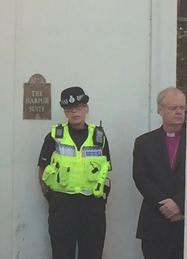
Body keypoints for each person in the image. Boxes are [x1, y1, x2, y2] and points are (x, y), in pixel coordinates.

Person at [37, 86, 111, 259]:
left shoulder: (99, 137)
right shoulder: (54, 136)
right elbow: (42, 168)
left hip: (92, 206)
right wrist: (51, 196)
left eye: (78, 106)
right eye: (69, 108)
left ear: (86, 108)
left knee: (92, 254)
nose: (74, 111)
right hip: (63, 206)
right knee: (62, 254)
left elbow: (106, 169)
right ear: (65, 112)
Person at [132, 87, 186, 259]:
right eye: (173, 108)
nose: (179, 112)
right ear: (159, 109)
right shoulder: (144, 142)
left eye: (182, 108)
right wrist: (165, 205)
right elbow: (141, 178)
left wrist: (179, 203)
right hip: (155, 222)